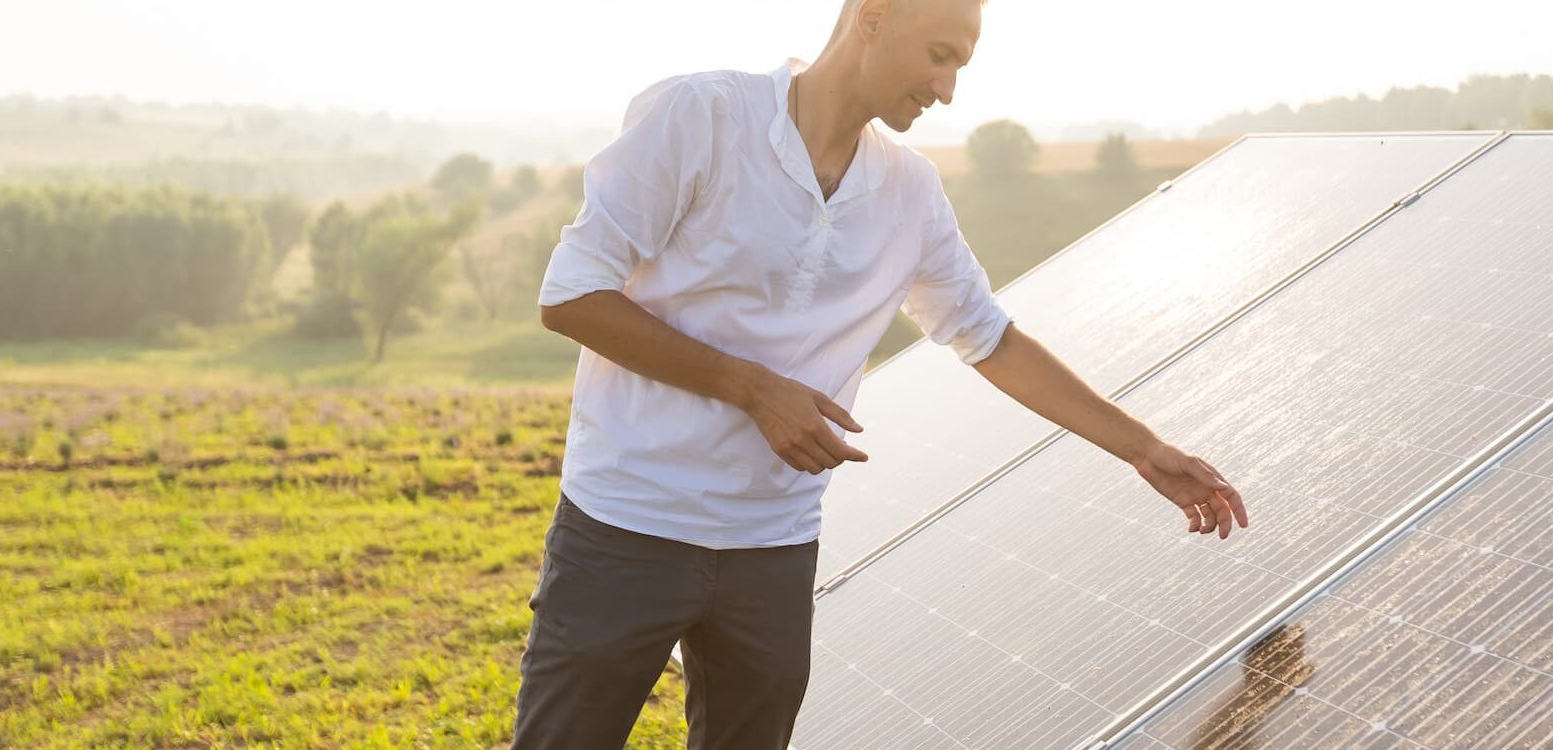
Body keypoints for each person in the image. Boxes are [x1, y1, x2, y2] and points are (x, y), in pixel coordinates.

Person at [515, 0, 1250, 746]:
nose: (948, 88)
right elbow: (572, 295)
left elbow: (987, 336)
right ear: (872, 16)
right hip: (627, 522)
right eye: (940, 55)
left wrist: (1142, 447)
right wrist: (754, 389)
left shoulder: (909, 191)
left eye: (960, 65)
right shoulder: (699, 116)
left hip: (774, 543)